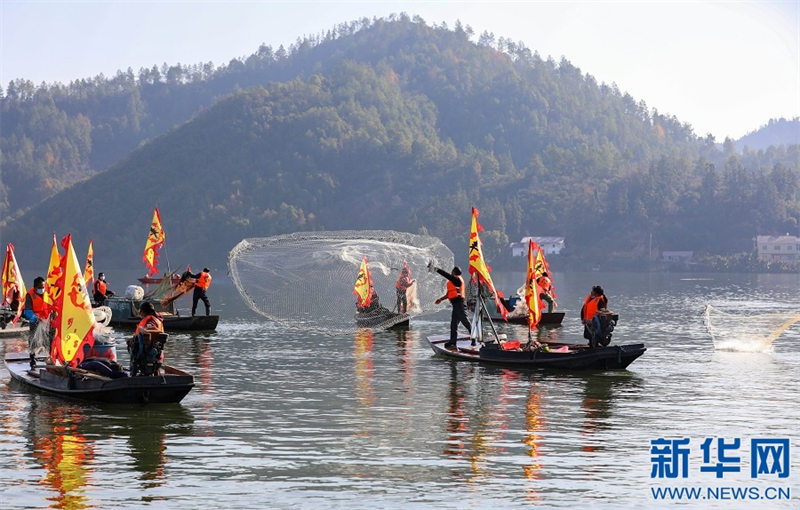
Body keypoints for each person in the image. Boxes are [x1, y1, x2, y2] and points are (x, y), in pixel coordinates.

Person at [431, 263, 471, 350]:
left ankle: (475, 338)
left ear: (454, 273)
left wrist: (436, 269)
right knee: (453, 325)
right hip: (456, 305)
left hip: (460, 305)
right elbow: (449, 294)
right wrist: (441, 299)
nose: (451, 273)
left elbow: (446, 275)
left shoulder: (457, 280)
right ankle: (452, 342)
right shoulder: (453, 282)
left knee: (465, 322)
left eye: (452, 272)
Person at [128, 301, 165, 376]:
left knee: (132, 345)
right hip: (158, 355)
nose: (140, 313)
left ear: (144, 312)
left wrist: (144, 330)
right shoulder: (157, 320)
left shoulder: (150, 321)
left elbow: (151, 328)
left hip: (147, 352)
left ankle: (133, 371)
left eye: (140, 311)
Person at [22, 276, 51, 368]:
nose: (42, 289)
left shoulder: (48, 292)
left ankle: (52, 357)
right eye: (40, 287)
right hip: (35, 320)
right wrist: (35, 318)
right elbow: (27, 311)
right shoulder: (29, 295)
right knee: (33, 338)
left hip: (47, 319)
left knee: (51, 339)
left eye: (43, 287)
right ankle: (32, 358)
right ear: (35, 287)